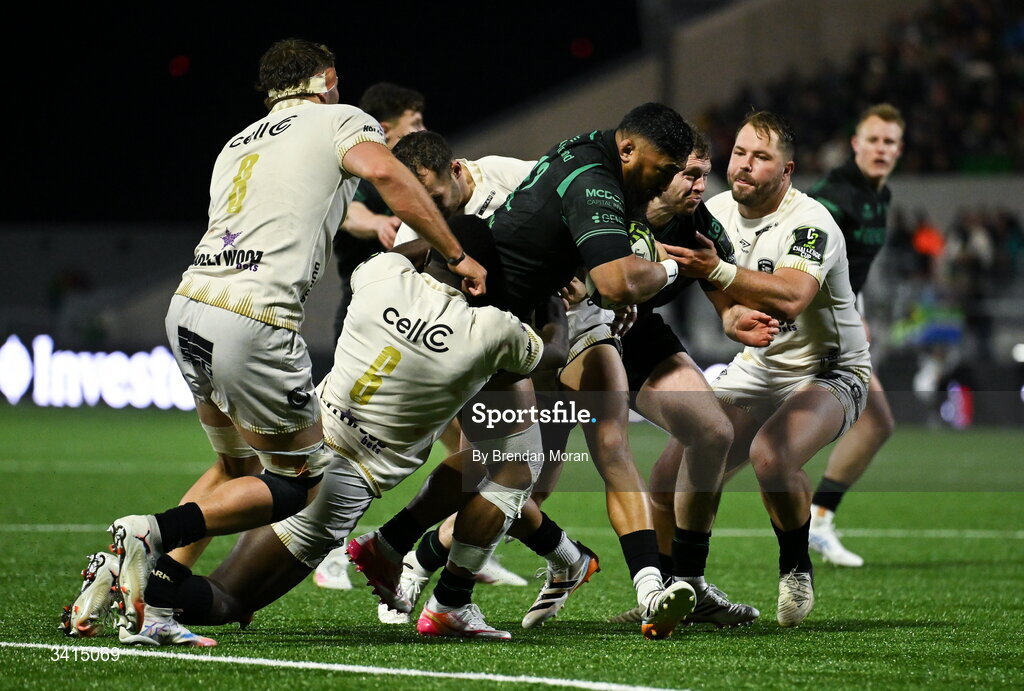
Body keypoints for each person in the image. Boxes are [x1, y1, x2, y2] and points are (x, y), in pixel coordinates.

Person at [94, 38, 486, 646]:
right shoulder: (341, 118)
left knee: (233, 466)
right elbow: (383, 170)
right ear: (328, 78)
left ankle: (146, 590)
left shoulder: (238, 141)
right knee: (296, 483)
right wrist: (456, 252)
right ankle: (150, 534)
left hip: (190, 306)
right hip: (254, 319)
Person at [123, 222, 568, 643]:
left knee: (485, 461)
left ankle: (392, 544)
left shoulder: (383, 275)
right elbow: (555, 351)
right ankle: (139, 577)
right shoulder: (491, 330)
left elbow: (396, 255)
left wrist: (436, 243)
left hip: (299, 444)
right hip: (341, 486)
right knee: (229, 600)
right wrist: (554, 296)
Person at [362, 103, 707, 641]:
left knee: (588, 450)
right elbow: (612, 271)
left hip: (559, 325)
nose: (424, 212)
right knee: (508, 475)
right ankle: (416, 558)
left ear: (456, 173)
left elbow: (599, 256)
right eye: (663, 170)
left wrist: (593, 280)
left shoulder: (526, 171)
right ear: (628, 150)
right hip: (508, 332)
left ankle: (647, 586)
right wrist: (662, 270)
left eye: (429, 201)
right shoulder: (584, 174)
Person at [666, 111, 871, 627]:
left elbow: (793, 294)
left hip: (831, 370)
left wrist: (715, 269)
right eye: (739, 153)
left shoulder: (810, 222)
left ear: (787, 170)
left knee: (771, 456)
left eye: (761, 158)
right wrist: (728, 313)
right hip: (758, 367)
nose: (745, 166)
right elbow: (702, 267)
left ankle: (795, 567)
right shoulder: (714, 211)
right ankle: (680, 589)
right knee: (666, 476)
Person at [804, 104, 904, 567]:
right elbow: (806, 256)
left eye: (891, 142)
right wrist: (843, 313)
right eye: (875, 140)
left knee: (876, 421)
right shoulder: (835, 194)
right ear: (856, 144)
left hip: (844, 314)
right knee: (759, 436)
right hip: (818, 318)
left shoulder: (880, 195)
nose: (882, 149)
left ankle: (818, 520)